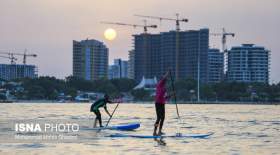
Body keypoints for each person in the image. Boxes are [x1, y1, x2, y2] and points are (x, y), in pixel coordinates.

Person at [153, 71, 172, 136]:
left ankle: (160, 131)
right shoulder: (159, 84)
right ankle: (154, 132)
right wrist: (168, 73)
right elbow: (164, 78)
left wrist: (171, 95)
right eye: (165, 80)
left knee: (163, 117)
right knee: (159, 118)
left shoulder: (164, 88)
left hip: (162, 103)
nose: (166, 81)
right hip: (158, 103)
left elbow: (165, 98)